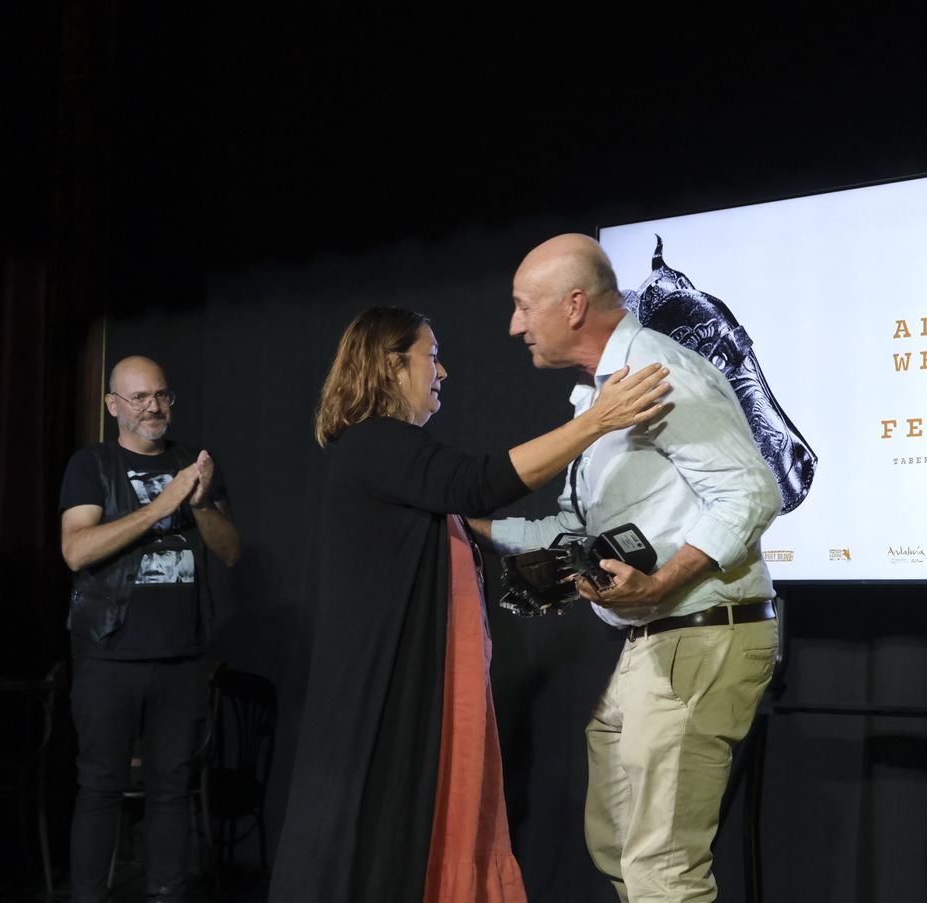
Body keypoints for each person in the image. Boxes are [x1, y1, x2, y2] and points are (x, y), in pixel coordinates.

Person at [270, 306, 670, 903]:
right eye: (431, 356)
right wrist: (598, 422)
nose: (443, 371)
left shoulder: (391, 457)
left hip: (411, 687)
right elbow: (480, 483)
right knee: (387, 841)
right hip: (385, 693)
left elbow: (458, 529)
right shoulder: (377, 443)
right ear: (389, 365)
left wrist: (554, 576)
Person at [471, 234, 782, 903]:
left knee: (661, 865)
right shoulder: (600, 397)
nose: (514, 325)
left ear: (574, 305)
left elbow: (753, 491)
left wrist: (665, 580)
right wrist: (469, 523)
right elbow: (575, 532)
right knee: (616, 840)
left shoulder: (658, 373)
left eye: (524, 307)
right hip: (655, 640)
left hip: (702, 629)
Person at [59, 355, 241, 903]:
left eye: (161, 395)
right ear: (113, 405)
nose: (153, 407)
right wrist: (160, 505)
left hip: (182, 656)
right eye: (139, 397)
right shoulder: (92, 465)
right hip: (108, 656)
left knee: (171, 792)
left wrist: (202, 503)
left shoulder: (195, 463)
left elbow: (230, 552)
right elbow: (76, 550)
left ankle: (167, 893)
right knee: (99, 790)